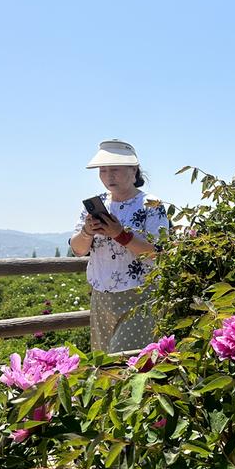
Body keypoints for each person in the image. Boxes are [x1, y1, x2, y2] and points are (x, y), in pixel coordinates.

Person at [69, 140, 169, 353]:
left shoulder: (152, 205)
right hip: (101, 296)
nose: (108, 176)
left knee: (126, 362)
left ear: (133, 170)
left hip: (140, 296)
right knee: (105, 364)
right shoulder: (98, 205)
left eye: (114, 169)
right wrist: (87, 231)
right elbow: (78, 250)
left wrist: (120, 235)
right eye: (103, 171)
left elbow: (159, 253)